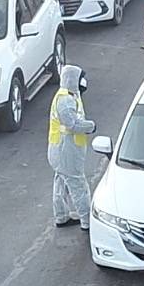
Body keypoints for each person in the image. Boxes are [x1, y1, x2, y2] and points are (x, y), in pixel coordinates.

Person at [48, 65, 95, 228]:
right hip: (66, 151)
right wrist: (91, 126)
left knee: (61, 182)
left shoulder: (68, 96)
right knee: (78, 185)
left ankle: (61, 216)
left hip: (61, 150)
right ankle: (87, 221)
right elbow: (72, 124)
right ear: (73, 80)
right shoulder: (66, 100)